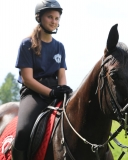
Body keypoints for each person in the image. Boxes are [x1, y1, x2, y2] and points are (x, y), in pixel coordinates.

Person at [13, 0, 72, 159]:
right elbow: (27, 79)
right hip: (33, 94)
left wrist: (63, 90)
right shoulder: (26, 44)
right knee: (23, 131)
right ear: (39, 18)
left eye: (57, 18)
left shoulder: (60, 46)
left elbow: (61, 75)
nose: (54, 21)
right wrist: (51, 93)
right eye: (50, 17)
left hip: (55, 92)